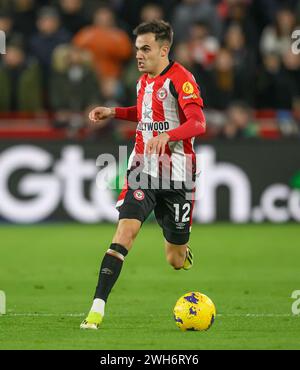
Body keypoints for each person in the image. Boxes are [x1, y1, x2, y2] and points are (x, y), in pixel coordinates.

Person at [80, 20, 206, 330]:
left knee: (175, 260)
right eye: (137, 49)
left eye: (146, 49)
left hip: (178, 176)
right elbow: (144, 112)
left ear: (164, 50)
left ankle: (183, 248)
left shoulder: (181, 79)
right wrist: (114, 112)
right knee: (124, 235)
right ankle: (96, 310)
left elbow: (198, 122)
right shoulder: (142, 81)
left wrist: (170, 135)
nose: (139, 55)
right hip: (143, 171)